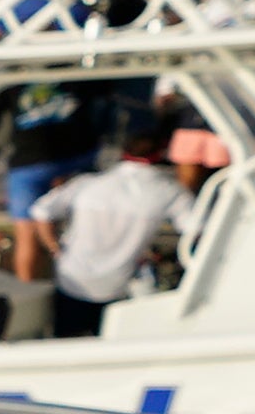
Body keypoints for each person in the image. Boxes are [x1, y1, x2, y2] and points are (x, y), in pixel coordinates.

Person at [38, 118, 189, 337]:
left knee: (65, 341)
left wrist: (54, 247)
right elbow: (194, 226)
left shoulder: (89, 183)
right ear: (163, 152)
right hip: (118, 288)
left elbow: (42, 211)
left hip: (72, 279)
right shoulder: (169, 191)